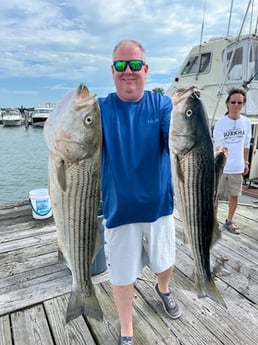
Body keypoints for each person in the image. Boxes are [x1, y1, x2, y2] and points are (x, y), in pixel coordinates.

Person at [98, 39, 181, 345]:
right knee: (121, 274)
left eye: (134, 65)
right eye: (121, 65)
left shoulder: (161, 105)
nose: (128, 71)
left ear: (146, 69)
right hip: (119, 210)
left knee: (165, 261)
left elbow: (178, 142)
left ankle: (163, 288)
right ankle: (126, 331)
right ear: (112, 70)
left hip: (159, 205)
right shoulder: (101, 109)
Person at [213, 88, 252, 234]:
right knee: (215, 195)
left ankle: (229, 221)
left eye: (239, 102)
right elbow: (218, 145)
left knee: (234, 195)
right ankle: (213, 221)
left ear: (243, 104)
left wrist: (246, 162)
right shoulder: (221, 123)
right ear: (228, 103)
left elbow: (246, 144)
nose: (236, 105)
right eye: (233, 102)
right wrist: (221, 151)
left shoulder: (246, 123)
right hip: (221, 167)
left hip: (237, 166)